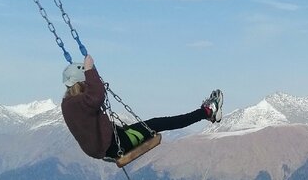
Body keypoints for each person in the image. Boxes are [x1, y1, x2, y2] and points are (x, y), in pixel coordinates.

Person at [60, 54, 222, 161]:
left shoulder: (68, 104)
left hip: (106, 144)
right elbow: (97, 95)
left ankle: (206, 112)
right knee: (161, 123)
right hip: (115, 145)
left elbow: (93, 102)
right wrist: (89, 69)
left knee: (152, 125)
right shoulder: (81, 102)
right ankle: (208, 111)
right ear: (82, 82)